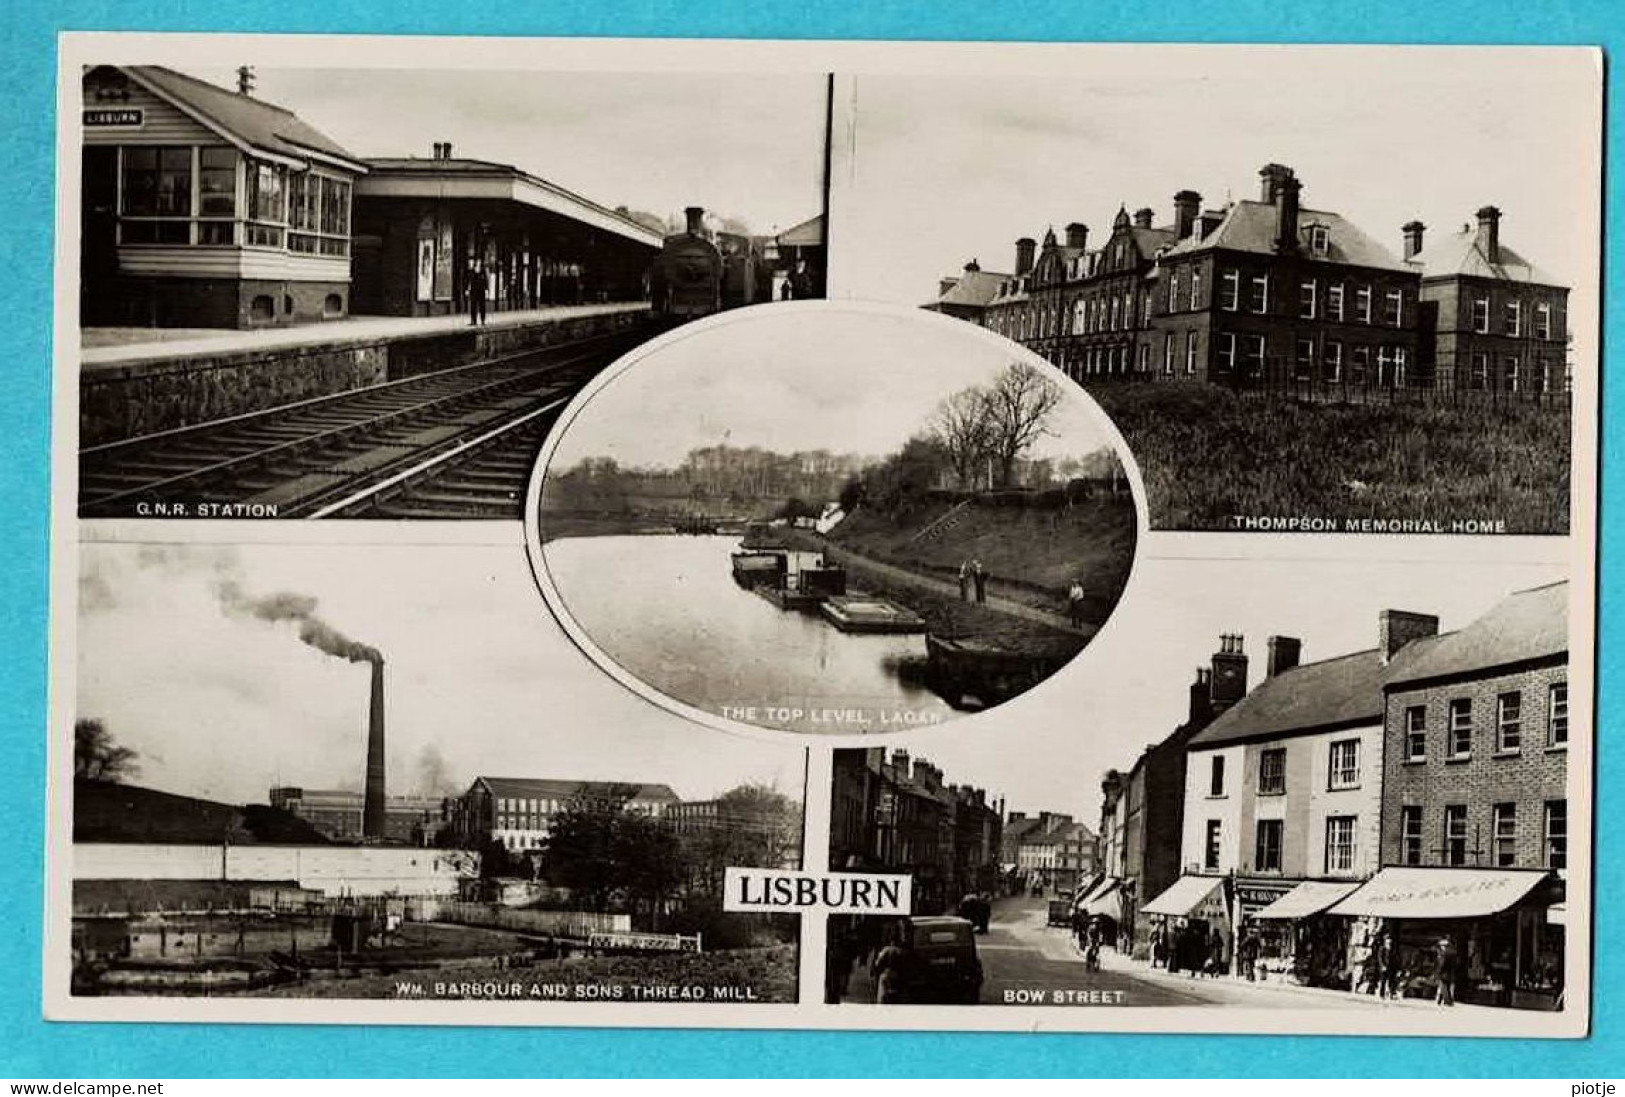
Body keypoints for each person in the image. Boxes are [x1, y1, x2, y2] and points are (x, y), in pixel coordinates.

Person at [871, 921, 914, 1004]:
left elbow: (878, 964)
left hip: (887, 974)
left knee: (882, 997)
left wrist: (875, 972)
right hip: (899, 976)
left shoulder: (886, 950)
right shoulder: (902, 952)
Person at [1434, 935, 1459, 1007]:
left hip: (1444, 972)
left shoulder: (1444, 953)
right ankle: (1442, 1000)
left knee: (1443, 986)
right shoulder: (1454, 952)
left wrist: (1438, 971)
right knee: (1447, 986)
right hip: (1451, 972)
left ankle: (1447, 1001)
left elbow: (1442, 963)